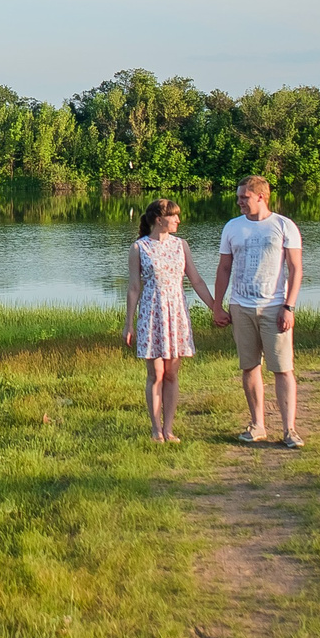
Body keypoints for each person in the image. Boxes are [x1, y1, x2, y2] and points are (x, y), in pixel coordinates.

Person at [210, 175, 303, 446]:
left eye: (245, 197)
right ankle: (257, 425)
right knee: (250, 366)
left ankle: (289, 430)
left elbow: (295, 269)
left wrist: (288, 306)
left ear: (261, 196)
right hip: (241, 306)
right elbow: (224, 268)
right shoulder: (232, 227)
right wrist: (218, 306)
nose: (239, 202)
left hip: (275, 306)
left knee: (283, 368)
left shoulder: (284, 226)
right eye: (238, 197)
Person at [123, 196, 220, 442]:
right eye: (173, 215)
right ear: (159, 220)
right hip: (151, 313)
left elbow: (196, 280)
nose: (178, 220)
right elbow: (133, 288)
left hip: (176, 313)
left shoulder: (181, 245)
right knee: (156, 373)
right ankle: (155, 429)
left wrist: (215, 308)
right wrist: (128, 324)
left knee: (171, 373)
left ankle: (169, 428)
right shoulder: (139, 248)